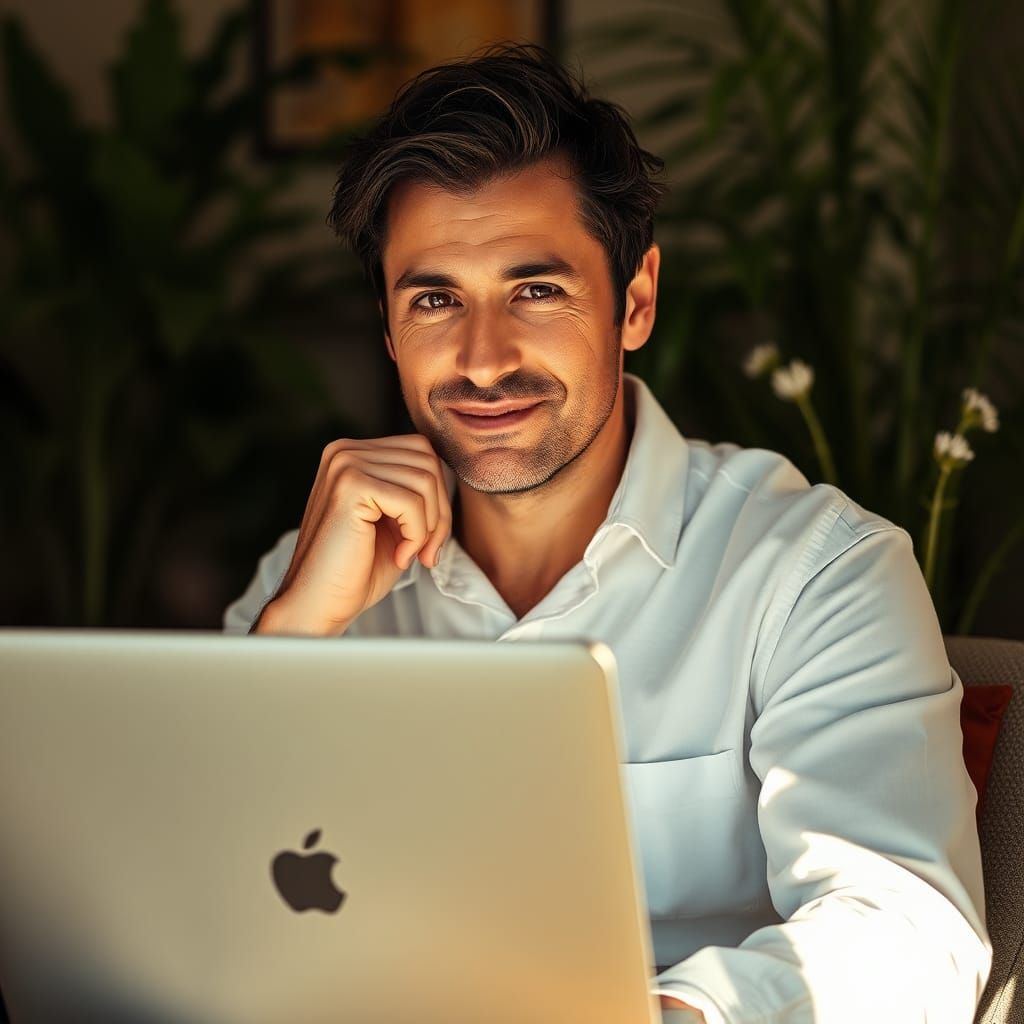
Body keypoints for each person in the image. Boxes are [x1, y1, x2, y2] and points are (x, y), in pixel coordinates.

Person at [224, 44, 992, 1023]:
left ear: (634, 302)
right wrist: (296, 634)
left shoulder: (819, 573)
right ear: (386, 327)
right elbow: (193, 917)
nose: (482, 357)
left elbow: (906, 935)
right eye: (434, 299)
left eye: (535, 290)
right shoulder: (306, 582)